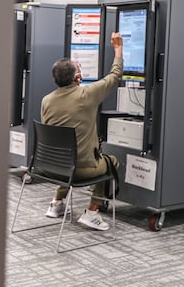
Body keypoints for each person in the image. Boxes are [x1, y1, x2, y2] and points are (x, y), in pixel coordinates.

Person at [41, 32, 123, 231]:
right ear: (78, 77)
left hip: (51, 167)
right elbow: (114, 76)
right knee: (110, 162)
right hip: (78, 171)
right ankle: (92, 212)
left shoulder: (46, 100)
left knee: (68, 158)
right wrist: (118, 49)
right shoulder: (86, 94)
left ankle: (57, 204)